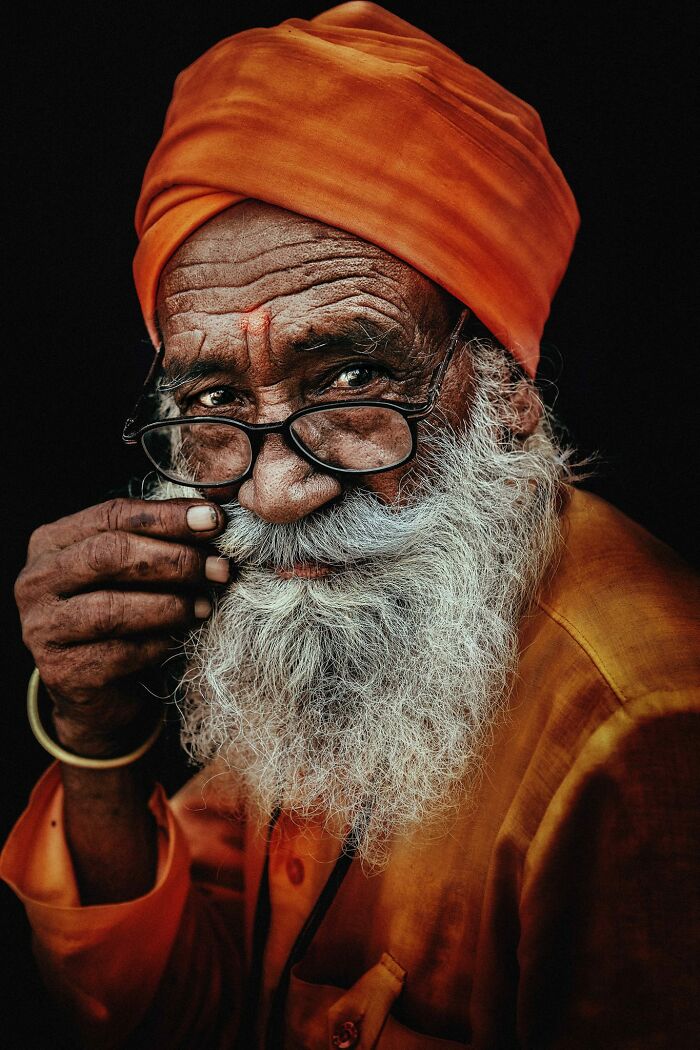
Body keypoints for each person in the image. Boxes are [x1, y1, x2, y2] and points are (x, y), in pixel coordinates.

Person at [2, 3, 698, 1047]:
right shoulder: (350, 618)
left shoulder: (640, 732)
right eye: (212, 403)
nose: (276, 492)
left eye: (354, 377)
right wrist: (99, 742)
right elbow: (187, 1016)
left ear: (503, 382)